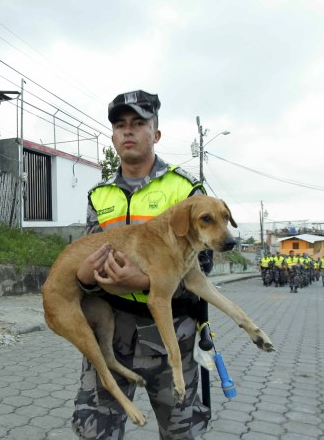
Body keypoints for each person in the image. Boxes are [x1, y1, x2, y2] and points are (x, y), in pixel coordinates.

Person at [72, 90, 211, 439]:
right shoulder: (99, 196)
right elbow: (86, 263)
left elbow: (202, 266)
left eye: (138, 123)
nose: (128, 132)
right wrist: (85, 277)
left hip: (169, 338)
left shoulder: (187, 191)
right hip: (110, 332)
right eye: (120, 126)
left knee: (180, 432)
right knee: (94, 432)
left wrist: (146, 281)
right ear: (114, 137)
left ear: (156, 134)